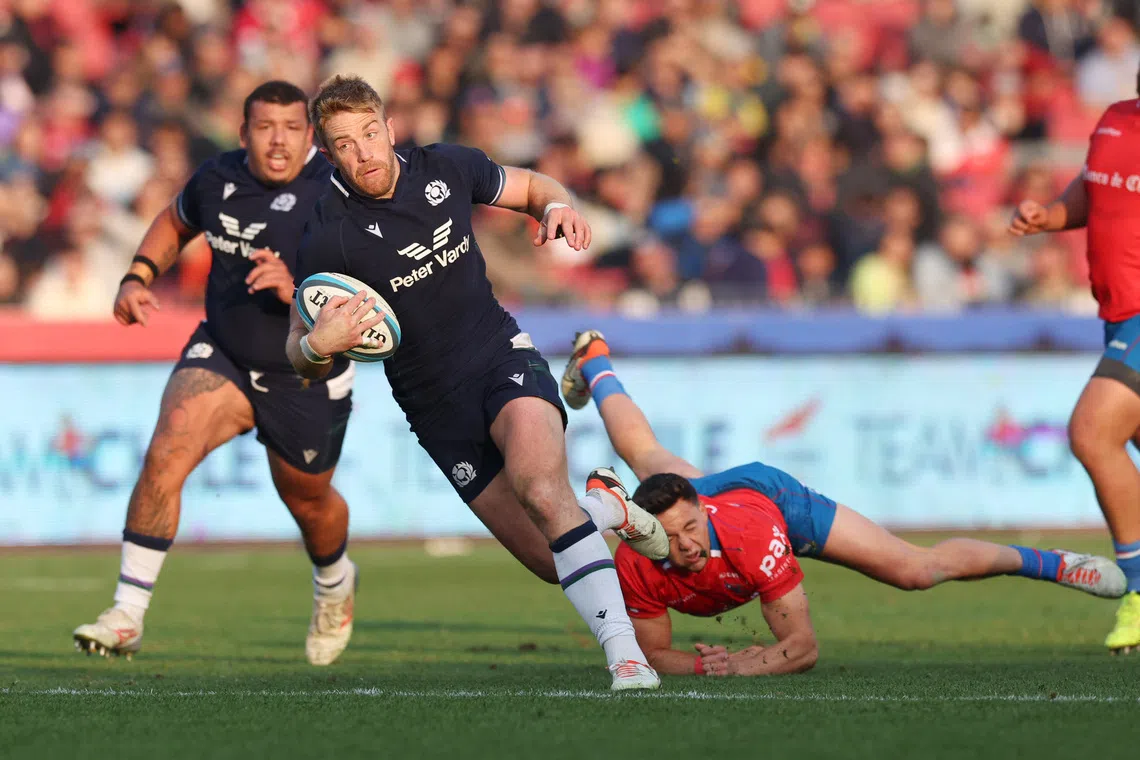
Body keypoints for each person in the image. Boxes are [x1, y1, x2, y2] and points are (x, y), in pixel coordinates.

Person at [285, 74, 668, 690]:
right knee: (550, 559)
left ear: (388, 127)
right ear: (328, 154)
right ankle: (608, 507)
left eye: (369, 134)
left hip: (499, 358)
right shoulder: (326, 234)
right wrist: (314, 345)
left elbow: (534, 186)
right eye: (344, 144)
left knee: (542, 488)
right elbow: (297, 352)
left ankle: (626, 657)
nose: (363, 153)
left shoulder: (448, 168)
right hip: (434, 408)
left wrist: (557, 205)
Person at [560, 330, 1125, 676]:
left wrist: (739, 668)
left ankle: (1053, 563)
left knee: (916, 570)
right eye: (670, 535)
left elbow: (801, 648)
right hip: (715, 497)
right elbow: (656, 656)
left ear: (703, 513)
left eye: (690, 529)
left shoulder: (752, 539)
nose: (682, 545)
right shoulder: (638, 551)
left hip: (769, 499)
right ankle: (595, 357)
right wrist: (713, 668)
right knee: (645, 453)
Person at [74, 81, 361, 667]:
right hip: (225, 353)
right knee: (165, 452)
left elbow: (373, 289)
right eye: (264, 127)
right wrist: (138, 275)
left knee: (308, 502)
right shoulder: (216, 179)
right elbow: (175, 221)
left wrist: (300, 290)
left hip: (304, 367)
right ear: (243, 132)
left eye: (291, 127)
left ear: (311, 136)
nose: (278, 141)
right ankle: (127, 612)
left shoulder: (338, 191)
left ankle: (334, 581)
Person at [1009, 71, 1140, 654]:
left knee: (1092, 432)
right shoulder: (1115, 118)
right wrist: (1053, 215)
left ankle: (1139, 592)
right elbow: (1095, 190)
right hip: (1119, 315)